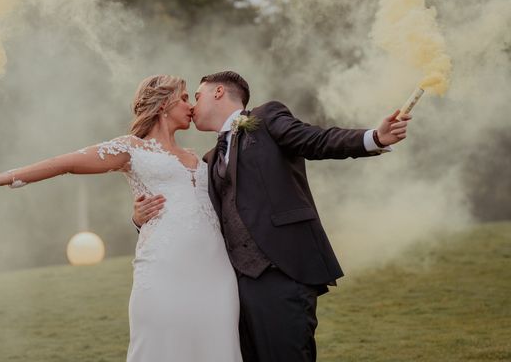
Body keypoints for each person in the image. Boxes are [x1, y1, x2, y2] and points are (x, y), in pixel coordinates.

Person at [0, 74, 243, 362]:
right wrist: (0, 178)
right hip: (164, 270)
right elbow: (66, 163)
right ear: (163, 104)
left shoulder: (202, 157)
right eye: (183, 98)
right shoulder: (131, 149)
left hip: (215, 273)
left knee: (218, 349)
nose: (190, 106)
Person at [132, 70, 412, 362]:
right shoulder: (209, 159)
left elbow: (316, 140)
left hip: (283, 270)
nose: (191, 106)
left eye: (197, 96)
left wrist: (375, 137)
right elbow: (190, 212)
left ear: (218, 92)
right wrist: (141, 219)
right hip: (234, 286)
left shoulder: (266, 119)